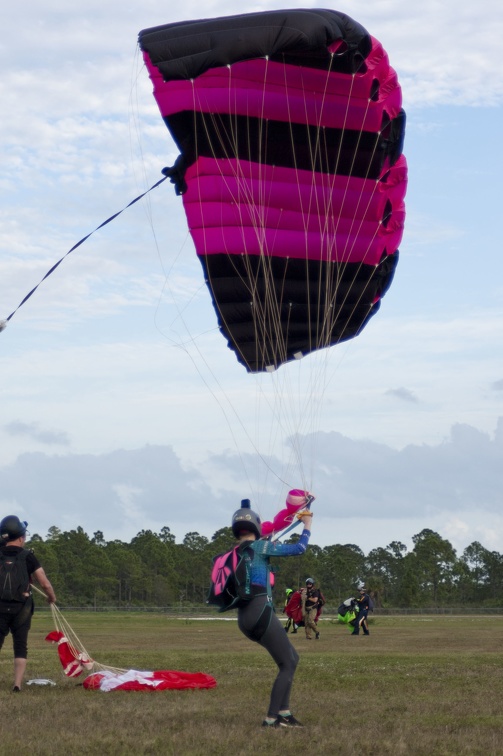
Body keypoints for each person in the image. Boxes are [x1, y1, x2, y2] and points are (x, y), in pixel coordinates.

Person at [231, 497, 313, 728]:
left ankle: (284, 713)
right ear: (256, 527)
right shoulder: (260, 546)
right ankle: (271, 719)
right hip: (260, 612)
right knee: (288, 663)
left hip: (245, 618)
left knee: (291, 658)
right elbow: (299, 548)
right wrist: (307, 524)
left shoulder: (237, 551)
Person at [0, 515, 56, 691]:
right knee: (20, 645)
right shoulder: (28, 557)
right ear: (22, 537)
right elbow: (44, 583)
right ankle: (17, 684)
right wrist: (51, 597)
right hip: (21, 609)